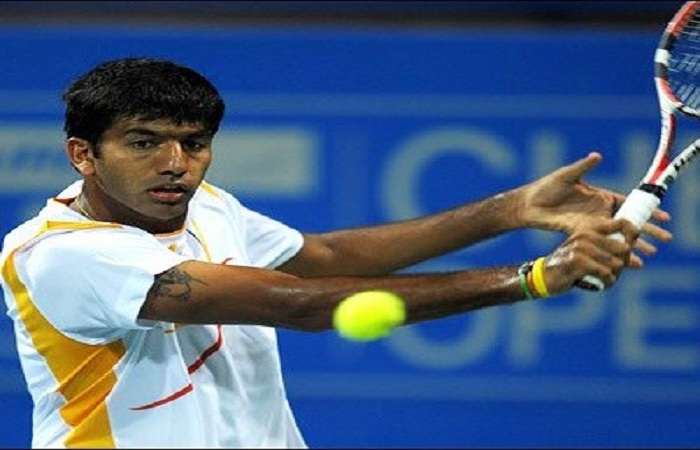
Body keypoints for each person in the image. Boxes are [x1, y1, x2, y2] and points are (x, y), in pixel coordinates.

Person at [0, 57, 671, 448]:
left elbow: (321, 257)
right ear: (83, 154)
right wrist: (534, 278)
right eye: (144, 142)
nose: (177, 163)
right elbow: (302, 303)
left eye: (194, 143)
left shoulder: (205, 205)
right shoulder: (61, 255)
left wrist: (511, 209)